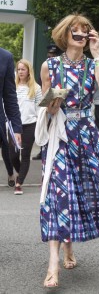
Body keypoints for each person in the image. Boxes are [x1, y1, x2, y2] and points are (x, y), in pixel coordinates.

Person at [37, 13, 99, 288]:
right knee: (59, 194)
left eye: (85, 32)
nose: (80, 36)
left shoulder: (94, 65)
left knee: (81, 190)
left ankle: (69, 247)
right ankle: (53, 265)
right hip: (59, 135)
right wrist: (51, 105)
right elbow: (43, 103)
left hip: (86, 135)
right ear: (64, 34)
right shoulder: (50, 65)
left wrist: (96, 51)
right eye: (75, 32)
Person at [9, 59, 42, 195]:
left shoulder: (36, 87)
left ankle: (19, 183)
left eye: (23, 69)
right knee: (13, 155)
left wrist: (40, 123)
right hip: (14, 126)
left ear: (29, 71)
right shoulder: (12, 86)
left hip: (30, 125)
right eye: (18, 69)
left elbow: (40, 107)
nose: (20, 72)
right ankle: (20, 173)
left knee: (25, 155)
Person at [32, 44, 62, 160]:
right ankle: (42, 150)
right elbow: (41, 84)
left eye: (53, 55)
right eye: (49, 55)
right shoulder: (45, 66)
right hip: (46, 99)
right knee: (45, 125)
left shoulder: (60, 66)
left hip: (57, 99)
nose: (51, 56)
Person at [0, 47, 22, 186]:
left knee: (7, 150)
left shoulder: (5, 57)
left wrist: (16, 127)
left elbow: (10, 96)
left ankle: (11, 173)